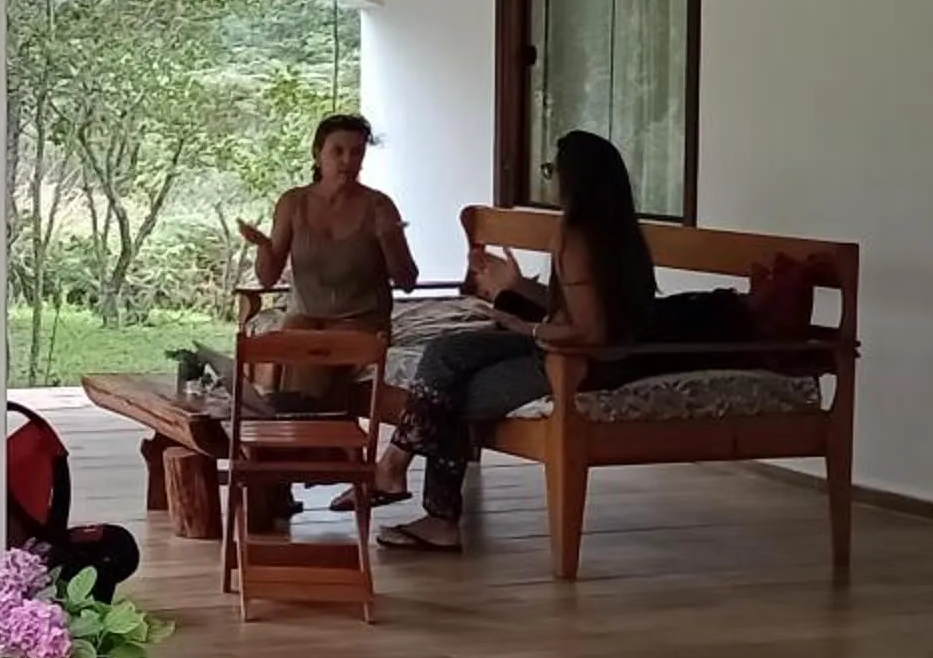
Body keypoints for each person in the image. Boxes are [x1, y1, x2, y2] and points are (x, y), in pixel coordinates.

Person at [375, 128, 657, 553]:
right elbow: (577, 307)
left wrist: (528, 328)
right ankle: (396, 468)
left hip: (577, 361)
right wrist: (519, 288)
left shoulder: (576, 235)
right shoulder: (617, 231)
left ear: (574, 177)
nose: (549, 179)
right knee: (446, 351)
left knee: (450, 391)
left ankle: (432, 509)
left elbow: (592, 331)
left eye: (551, 170)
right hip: (564, 346)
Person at [233, 114, 418, 520]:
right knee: (291, 344)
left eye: (356, 152)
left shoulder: (378, 205)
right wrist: (263, 244)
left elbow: (406, 281)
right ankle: (283, 472)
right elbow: (266, 277)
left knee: (313, 358)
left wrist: (389, 237)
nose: (347, 160)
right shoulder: (294, 202)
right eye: (338, 151)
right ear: (319, 154)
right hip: (307, 316)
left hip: (362, 321)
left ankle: (297, 470)